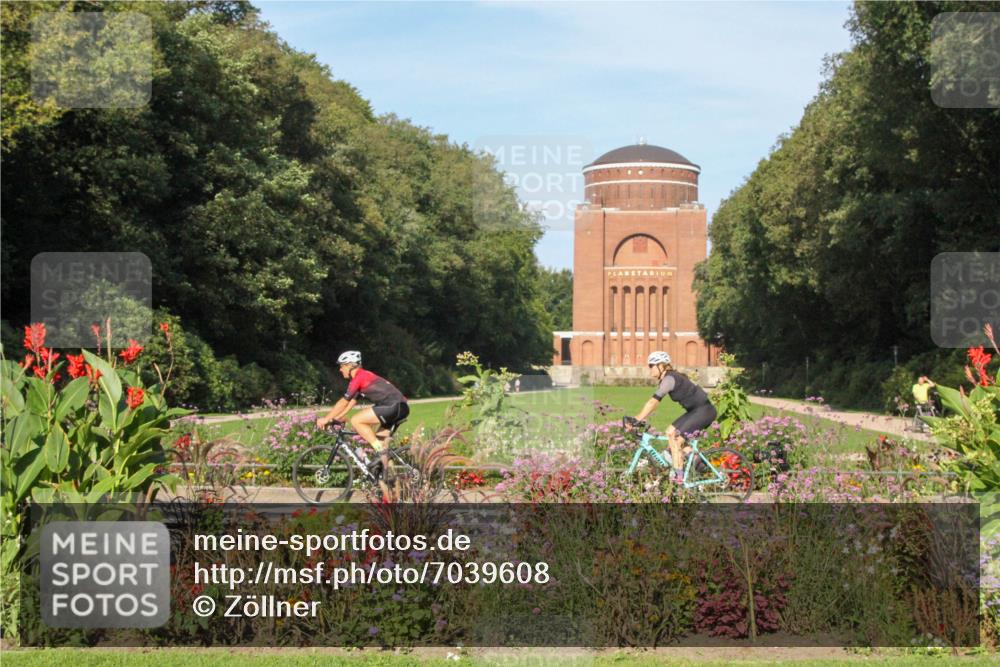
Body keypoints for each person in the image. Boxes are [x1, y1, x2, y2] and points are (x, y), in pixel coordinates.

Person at [631, 351, 717, 483]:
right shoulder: (669, 378)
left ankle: (679, 477)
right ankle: (695, 459)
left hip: (704, 411)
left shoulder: (669, 379)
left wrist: (637, 419)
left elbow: (653, 402)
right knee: (670, 431)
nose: (649, 369)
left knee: (675, 439)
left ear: (661, 365)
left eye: (651, 365)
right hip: (696, 411)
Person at [316, 351, 409, 470]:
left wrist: (326, 419)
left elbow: (343, 401)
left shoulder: (359, 377)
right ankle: (393, 479)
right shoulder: (364, 376)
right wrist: (337, 418)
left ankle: (380, 453)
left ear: (350, 365)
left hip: (393, 406)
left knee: (356, 420)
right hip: (400, 407)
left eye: (342, 366)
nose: (340, 369)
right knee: (381, 445)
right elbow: (351, 402)